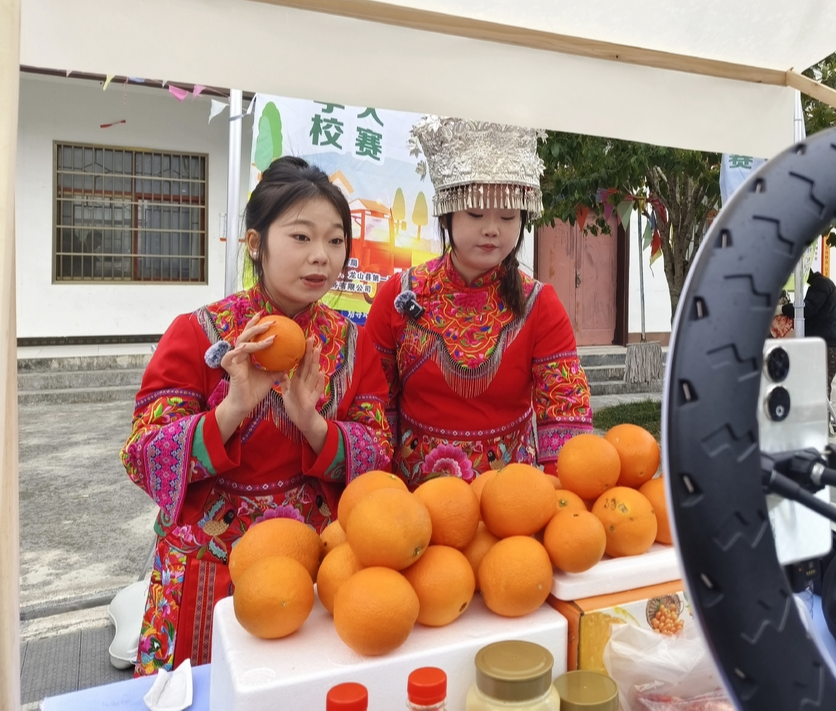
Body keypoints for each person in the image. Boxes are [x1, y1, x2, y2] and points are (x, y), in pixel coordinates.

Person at [120, 156, 393, 676]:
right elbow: (142, 457)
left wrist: (312, 423)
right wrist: (232, 408)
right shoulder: (199, 333)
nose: (321, 257)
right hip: (209, 571)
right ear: (254, 243)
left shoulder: (353, 344)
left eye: (336, 241)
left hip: (310, 562)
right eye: (301, 237)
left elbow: (379, 455)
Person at [365, 116, 592, 487]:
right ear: (447, 212)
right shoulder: (398, 295)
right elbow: (374, 404)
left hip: (510, 504)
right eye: (475, 212)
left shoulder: (540, 304)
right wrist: (379, 490)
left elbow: (565, 413)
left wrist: (562, 501)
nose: (492, 229)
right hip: (411, 505)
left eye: (507, 215)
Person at [783, 270, 836, 398]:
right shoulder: (823, 284)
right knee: (818, 388)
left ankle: (822, 417)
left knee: (819, 390)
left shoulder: (821, 285)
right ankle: (821, 416)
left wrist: (783, 309)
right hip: (829, 346)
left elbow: (807, 309)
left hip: (827, 347)